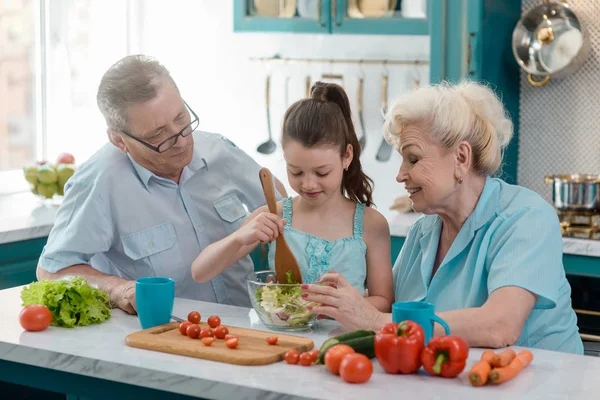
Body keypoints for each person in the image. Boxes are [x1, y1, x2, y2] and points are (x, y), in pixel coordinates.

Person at [302, 81, 583, 354]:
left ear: (461, 157)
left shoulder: (526, 218)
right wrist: (331, 304)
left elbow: (500, 326)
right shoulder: (424, 230)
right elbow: (392, 311)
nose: (400, 174)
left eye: (413, 159)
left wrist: (374, 321)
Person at [36, 55, 286, 313]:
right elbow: (52, 269)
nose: (181, 141)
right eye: (158, 135)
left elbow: (282, 206)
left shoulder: (219, 150)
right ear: (119, 140)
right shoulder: (98, 183)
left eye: (181, 119)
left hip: (245, 328)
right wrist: (117, 288)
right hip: (162, 334)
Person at [192, 82, 394, 312]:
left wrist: (330, 308)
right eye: (296, 172)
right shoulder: (274, 215)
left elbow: (384, 301)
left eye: (322, 172)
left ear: (346, 156)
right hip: (281, 342)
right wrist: (240, 236)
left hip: (342, 345)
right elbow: (200, 272)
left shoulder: (371, 224)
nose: (308, 184)